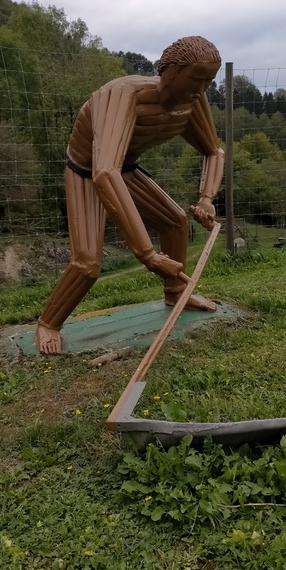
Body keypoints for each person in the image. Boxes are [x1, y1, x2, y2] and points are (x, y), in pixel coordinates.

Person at [35, 35, 224, 354]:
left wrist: (206, 197)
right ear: (173, 71)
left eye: (209, 81)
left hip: (124, 166)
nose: (202, 90)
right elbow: (104, 171)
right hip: (86, 168)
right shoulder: (122, 95)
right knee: (87, 264)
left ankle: (176, 293)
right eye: (196, 79)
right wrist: (148, 255)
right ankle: (49, 323)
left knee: (175, 221)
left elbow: (212, 151)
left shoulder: (191, 102)